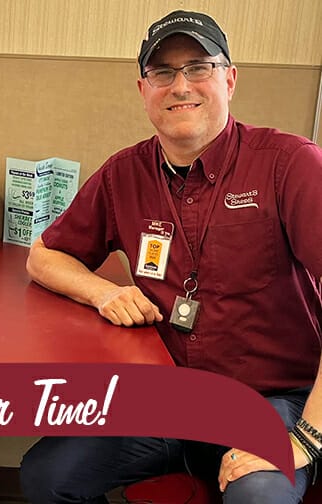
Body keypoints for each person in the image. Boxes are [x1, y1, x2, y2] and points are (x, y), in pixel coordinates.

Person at [19, 9, 322, 504]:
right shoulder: (124, 174)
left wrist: (308, 437)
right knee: (48, 476)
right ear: (144, 91)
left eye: (198, 67)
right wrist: (105, 292)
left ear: (229, 78)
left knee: (260, 495)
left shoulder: (290, 164)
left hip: (269, 400)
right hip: (167, 402)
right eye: (163, 73)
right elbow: (43, 257)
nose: (180, 86)